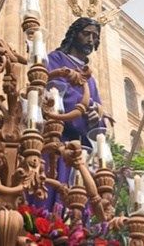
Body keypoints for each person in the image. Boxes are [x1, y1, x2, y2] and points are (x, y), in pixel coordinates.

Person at [31, 17, 111, 211]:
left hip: (79, 148)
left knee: (75, 202)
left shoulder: (89, 78)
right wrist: (84, 110)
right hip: (54, 140)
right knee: (47, 193)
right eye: (87, 34)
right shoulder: (56, 59)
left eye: (95, 36)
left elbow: (98, 112)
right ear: (75, 34)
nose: (91, 39)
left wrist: (95, 117)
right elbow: (51, 91)